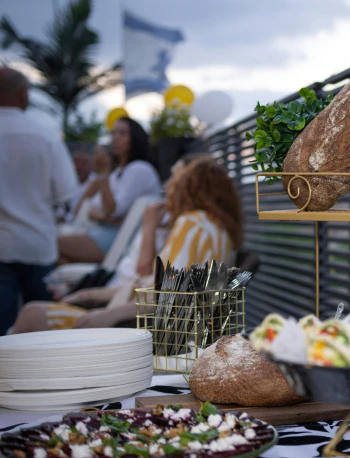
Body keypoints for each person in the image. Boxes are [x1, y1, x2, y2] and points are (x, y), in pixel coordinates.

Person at [11, 157, 243, 333]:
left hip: (141, 330)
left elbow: (171, 293)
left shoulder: (192, 224)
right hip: (172, 329)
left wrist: (112, 313)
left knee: (31, 314)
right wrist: (89, 295)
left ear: (190, 185)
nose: (169, 184)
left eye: (176, 178)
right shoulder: (219, 230)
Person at [0, 67, 79, 335]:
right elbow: (67, 194)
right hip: (37, 244)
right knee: (41, 335)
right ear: (24, 95)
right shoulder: (45, 136)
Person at [58, 117, 161, 264]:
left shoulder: (140, 169)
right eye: (113, 133)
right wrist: (101, 214)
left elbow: (112, 211)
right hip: (102, 233)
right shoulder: (118, 172)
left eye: (122, 133)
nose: (115, 138)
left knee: (50, 245)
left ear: (136, 138)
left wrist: (103, 175)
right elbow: (88, 208)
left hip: (116, 240)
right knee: (57, 255)